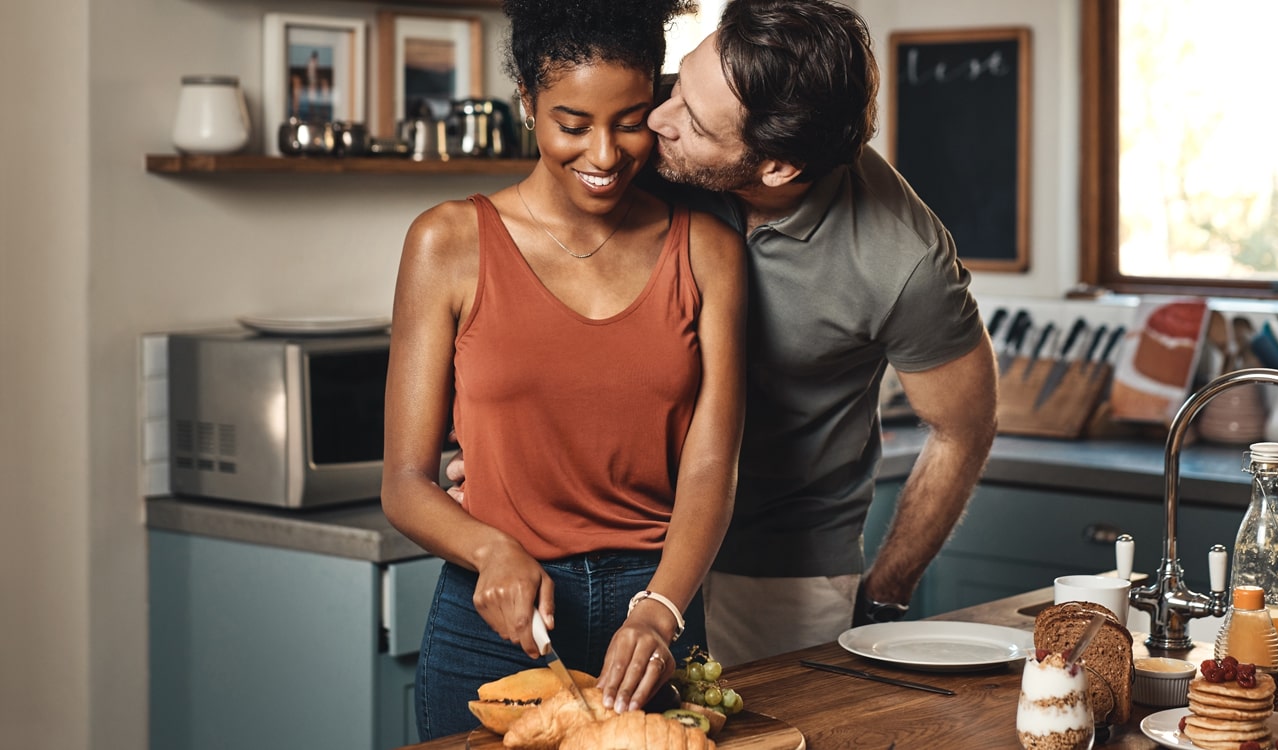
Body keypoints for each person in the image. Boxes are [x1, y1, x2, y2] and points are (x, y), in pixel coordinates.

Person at [449, 0, 998, 667]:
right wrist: (492, 449)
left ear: (774, 167)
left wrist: (882, 598)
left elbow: (963, 426)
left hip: (779, 566)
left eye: (694, 121)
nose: (657, 119)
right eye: (678, 83)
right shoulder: (641, 142)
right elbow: (537, 295)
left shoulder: (902, 261)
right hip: (623, 547)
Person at [381, 0, 746, 740]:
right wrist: (492, 549)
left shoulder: (708, 250)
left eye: (631, 119)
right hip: (496, 618)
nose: (605, 154)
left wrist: (662, 608)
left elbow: (711, 466)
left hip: (654, 617)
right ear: (527, 102)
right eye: (572, 124)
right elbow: (405, 483)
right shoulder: (447, 242)